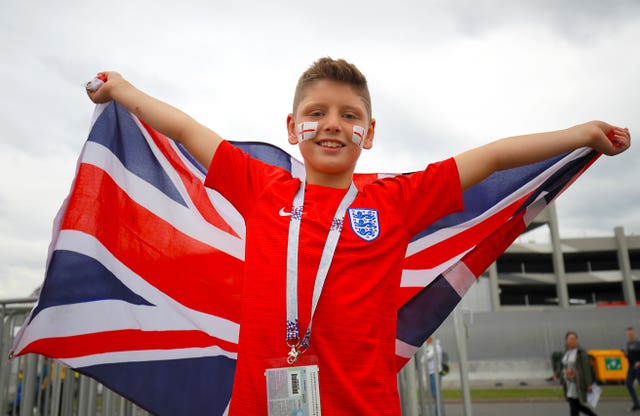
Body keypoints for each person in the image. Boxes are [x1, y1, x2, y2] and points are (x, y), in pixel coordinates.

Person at [86, 57, 630, 415]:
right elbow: (184, 129)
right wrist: (126, 90)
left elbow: (489, 158)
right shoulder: (260, 185)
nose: (331, 124)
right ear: (291, 126)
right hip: (261, 404)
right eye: (316, 112)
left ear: (368, 135)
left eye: (350, 116)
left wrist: (581, 134)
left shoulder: (394, 200)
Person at [554, 331, 598, 416]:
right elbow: (563, 365)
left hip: (577, 382)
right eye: (570, 339)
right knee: (573, 405)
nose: (573, 341)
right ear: (566, 341)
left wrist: (588, 384)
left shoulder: (581, 353)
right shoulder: (566, 352)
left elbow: (586, 369)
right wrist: (557, 373)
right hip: (568, 383)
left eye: (574, 339)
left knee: (575, 405)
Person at [421, 337, 445, 416]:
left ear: (431, 338)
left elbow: (424, 359)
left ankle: (438, 414)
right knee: (436, 396)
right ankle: (439, 413)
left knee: (436, 396)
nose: (426, 341)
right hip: (432, 374)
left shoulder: (436, 347)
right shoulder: (431, 347)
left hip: (435, 374)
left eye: (427, 339)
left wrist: (425, 353)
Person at [625, 327, 640, 411]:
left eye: (631, 333)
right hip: (631, 367)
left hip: (638, 367)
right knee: (628, 383)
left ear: (634, 333)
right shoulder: (628, 343)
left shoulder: (638, 342)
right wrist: (626, 355)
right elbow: (630, 356)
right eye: (628, 333)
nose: (630, 334)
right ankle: (636, 404)